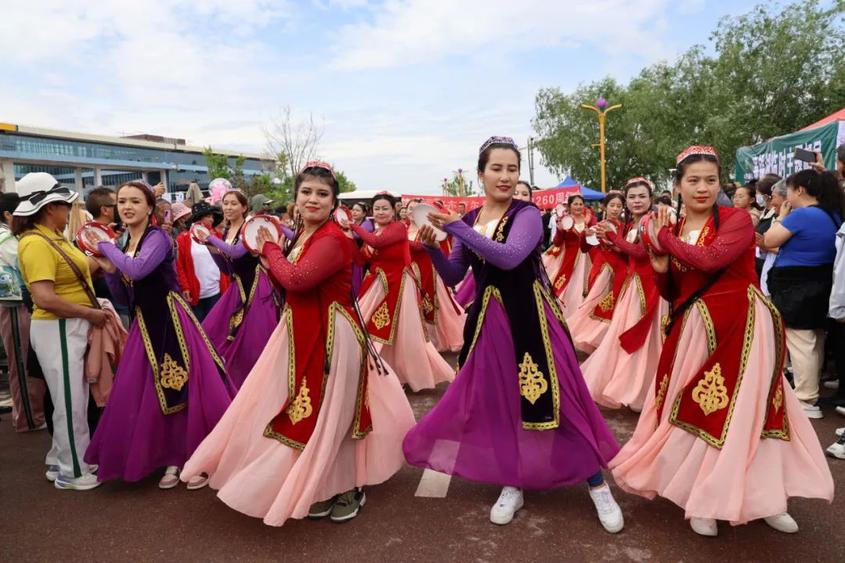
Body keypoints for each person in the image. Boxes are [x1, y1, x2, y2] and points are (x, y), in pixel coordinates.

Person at [403, 136, 622, 533]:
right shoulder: (470, 221)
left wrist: (455, 227)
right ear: (481, 173)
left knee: (560, 401)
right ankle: (513, 480)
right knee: (500, 402)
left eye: (512, 169)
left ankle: (597, 484)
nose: (505, 177)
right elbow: (455, 275)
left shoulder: (526, 213)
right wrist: (433, 246)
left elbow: (510, 256)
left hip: (532, 319)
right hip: (489, 322)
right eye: (497, 168)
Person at [611, 145, 834, 537]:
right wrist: (661, 266)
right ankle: (702, 494)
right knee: (697, 411)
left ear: (720, 184)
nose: (702, 188)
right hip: (693, 330)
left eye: (710, 180)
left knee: (753, 413)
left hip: (745, 328)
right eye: (693, 180)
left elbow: (710, 260)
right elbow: (672, 291)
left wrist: (661, 237)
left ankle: (766, 497)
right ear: (678, 186)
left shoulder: (738, 221)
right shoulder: (677, 230)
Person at [181, 161, 415, 525]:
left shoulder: (333, 239)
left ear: (333, 200)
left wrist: (269, 251)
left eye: (322, 194)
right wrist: (273, 252)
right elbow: (284, 282)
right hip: (299, 331)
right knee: (311, 412)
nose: (313, 199)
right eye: (306, 192)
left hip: (334, 336)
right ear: (295, 197)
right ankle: (323, 483)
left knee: (336, 414)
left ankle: (350, 485)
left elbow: (297, 279)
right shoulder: (300, 237)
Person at [83, 181, 233, 489]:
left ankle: (194, 456)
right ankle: (169, 456)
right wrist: (109, 270)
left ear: (149, 207)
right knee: (148, 391)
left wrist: (106, 247)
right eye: (122, 201)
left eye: (135, 201)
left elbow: (138, 271)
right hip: (144, 324)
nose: (127, 206)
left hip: (171, 320)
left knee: (184, 385)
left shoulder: (158, 238)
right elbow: (126, 294)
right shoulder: (126, 241)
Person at [14, 172, 110, 490]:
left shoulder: (52, 237)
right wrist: (90, 313)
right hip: (59, 327)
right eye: (63, 204)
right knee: (71, 400)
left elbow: (80, 270)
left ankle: (60, 460)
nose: (68, 210)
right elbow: (44, 297)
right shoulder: (36, 242)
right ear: (49, 206)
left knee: (70, 397)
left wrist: (109, 253)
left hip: (66, 326)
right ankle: (74, 470)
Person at [580, 178, 668, 412]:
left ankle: (640, 387)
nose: (636, 201)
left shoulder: (649, 221)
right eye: (632, 197)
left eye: (641, 196)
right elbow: (629, 253)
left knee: (642, 338)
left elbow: (640, 252)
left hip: (649, 286)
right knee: (626, 335)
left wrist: (613, 237)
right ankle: (630, 385)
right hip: (634, 284)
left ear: (650, 199)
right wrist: (611, 240)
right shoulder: (633, 223)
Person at [351, 193, 454, 391]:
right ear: (372, 211)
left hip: (399, 286)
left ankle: (404, 374)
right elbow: (361, 259)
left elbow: (376, 243)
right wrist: (347, 240)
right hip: (378, 284)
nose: (380, 212)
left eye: (385, 208)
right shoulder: (378, 231)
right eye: (377, 209)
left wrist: (353, 227)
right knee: (363, 324)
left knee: (404, 333)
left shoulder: (397, 228)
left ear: (394, 210)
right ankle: (377, 372)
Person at [764, 169, 843, 419]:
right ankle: (810, 393)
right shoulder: (832, 214)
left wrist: (781, 216)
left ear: (799, 190)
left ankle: (805, 398)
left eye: (788, 189)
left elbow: (769, 240)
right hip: (821, 281)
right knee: (814, 340)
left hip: (796, 284)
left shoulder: (802, 216)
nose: (785, 195)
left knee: (801, 342)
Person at [201, 190, 281, 389]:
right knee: (212, 334)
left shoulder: (250, 227)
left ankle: (260, 386)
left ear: (244, 207)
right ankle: (234, 386)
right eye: (225, 203)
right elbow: (227, 268)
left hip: (256, 287)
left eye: (233, 204)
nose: (228, 207)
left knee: (254, 341)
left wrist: (210, 238)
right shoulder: (228, 232)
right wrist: (210, 248)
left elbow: (236, 252)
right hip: (238, 288)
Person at [0, 192, 46, 432]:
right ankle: (29, 418)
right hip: (15, 305)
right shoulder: (6, 238)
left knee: (25, 360)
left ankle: (30, 414)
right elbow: (24, 264)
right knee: (22, 361)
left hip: (18, 304)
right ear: (9, 214)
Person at [568, 191, 628, 353]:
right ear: (604, 207)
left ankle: (609, 342)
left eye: (619, 206)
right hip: (603, 272)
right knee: (596, 306)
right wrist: (585, 236)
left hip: (622, 271)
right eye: (612, 205)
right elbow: (585, 248)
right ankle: (596, 340)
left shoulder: (625, 227)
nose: (615, 209)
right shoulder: (597, 227)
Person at [405, 200, 466, 353]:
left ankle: (434, 341)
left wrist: (399, 242)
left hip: (429, 272)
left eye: (415, 209)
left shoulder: (426, 228)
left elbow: (422, 247)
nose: (412, 212)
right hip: (410, 273)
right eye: (409, 209)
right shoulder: (404, 229)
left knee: (437, 308)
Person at [543, 194, 596, 316]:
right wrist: (560, 230)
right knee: (570, 286)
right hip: (570, 258)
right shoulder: (564, 220)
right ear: (570, 206)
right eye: (575, 204)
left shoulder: (590, 219)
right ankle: (568, 312)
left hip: (589, 256)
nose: (578, 206)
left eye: (581, 204)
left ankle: (585, 314)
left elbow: (594, 240)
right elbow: (557, 242)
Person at [175, 202, 224, 321]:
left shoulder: (217, 236)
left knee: (216, 327)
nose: (211, 219)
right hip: (196, 293)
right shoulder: (183, 238)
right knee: (200, 329)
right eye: (208, 216)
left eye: (212, 216)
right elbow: (179, 266)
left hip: (217, 290)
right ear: (198, 219)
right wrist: (185, 287)